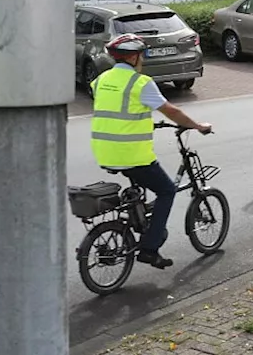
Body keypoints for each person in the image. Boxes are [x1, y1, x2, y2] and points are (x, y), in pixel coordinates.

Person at [90, 34, 212, 270]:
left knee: (141, 188)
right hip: (131, 154)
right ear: (135, 56)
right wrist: (196, 125)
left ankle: (138, 220)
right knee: (167, 190)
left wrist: (142, 121)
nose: (143, 59)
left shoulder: (101, 79)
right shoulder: (140, 83)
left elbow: (116, 110)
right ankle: (150, 248)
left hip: (105, 151)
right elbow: (171, 111)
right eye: (142, 54)